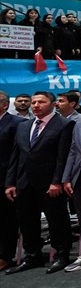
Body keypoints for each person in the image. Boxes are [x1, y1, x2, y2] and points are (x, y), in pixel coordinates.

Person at [4, 90, 74, 274]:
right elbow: (15, 155)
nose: (36, 105)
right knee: (27, 221)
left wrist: (57, 181)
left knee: (57, 220)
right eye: (34, 102)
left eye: (41, 102)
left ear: (53, 104)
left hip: (50, 182)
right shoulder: (24, 126)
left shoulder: (64, 124)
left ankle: (61, 255)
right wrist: (10, 183)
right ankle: (32, 255)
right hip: (24, 181)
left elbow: (62, 156)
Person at [0, 93, 20, 271]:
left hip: (6, 178)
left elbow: (16, 156)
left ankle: (6, 255)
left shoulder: (15, 124)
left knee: (6, 220)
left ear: (5, 105)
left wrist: (10, 181)